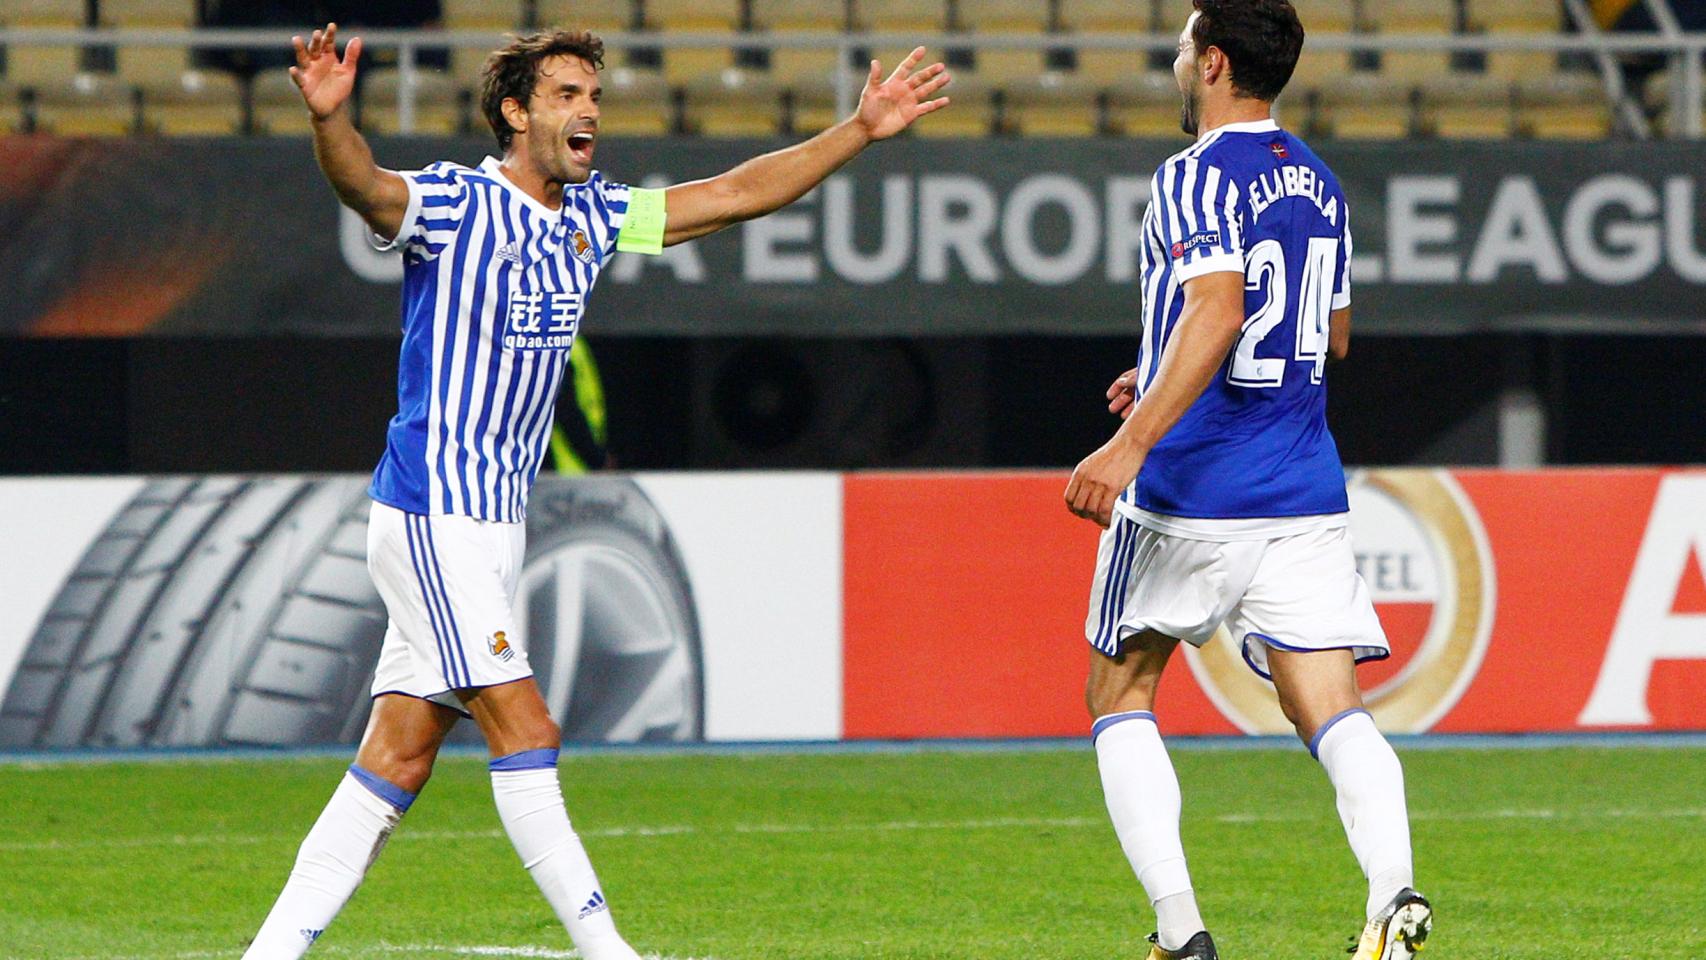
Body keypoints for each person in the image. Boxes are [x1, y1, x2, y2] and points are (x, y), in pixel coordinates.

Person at [239, 23, 950, 960]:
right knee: (526, 724)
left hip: (494, 525)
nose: (588, 113)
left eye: (595, 97)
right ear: (515, 111)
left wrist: (857, 131)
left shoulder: (593, 215)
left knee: (399, 757)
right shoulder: (455, 204)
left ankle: (270, 952)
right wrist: (333, 121)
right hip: (430, 513)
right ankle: (607, 951)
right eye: (568, 94)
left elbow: (733, 195)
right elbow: (368, 187)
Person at [1060, 2, 1430, 959]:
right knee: (1332, 711)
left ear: (1212, 61)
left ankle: (1181, 934)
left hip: (1189, 490)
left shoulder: (1190, 175)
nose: (1176, 58)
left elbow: (1220, 311)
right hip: (1302, 490)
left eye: (1184, 44)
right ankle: (1393, 896)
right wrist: (1162, 357)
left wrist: (1130, 441)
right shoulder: (1319, 180)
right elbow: (1331, 335)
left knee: (1121, 695)